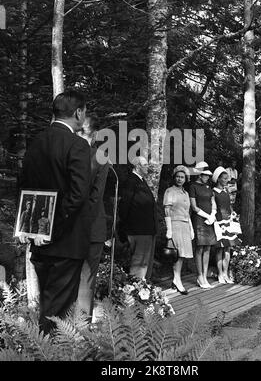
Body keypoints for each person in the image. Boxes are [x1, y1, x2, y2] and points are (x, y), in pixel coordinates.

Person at [19, 90, 91, 334]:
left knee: (49, 305)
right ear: (78, 112)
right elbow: (79, 194)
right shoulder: (78, 145)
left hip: (39, 243)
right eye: (85, 111)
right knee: (58, 313)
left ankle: (44, 348)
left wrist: (30, 227)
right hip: (65, 241)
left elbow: (24, 188)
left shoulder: (36, 142)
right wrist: (52, 227)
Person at [76, 114, 112, 319]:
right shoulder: (100, 157)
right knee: (86, 281)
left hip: (70, 226)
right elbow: (96, 196)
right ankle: (81, 334)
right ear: (97, 134)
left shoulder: (67, 154)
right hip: (91, 227)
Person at [118, 156, 158, 280]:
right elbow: (124, 206)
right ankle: (135, 292)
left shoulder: (141, 181)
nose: (147, 167)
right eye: (145, 165)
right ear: (137, 166)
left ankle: (140, 290)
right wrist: (125, 228)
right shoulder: (131, 181)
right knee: (139, 264)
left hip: (145, 230)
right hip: (138, 230)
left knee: (143, 264)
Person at [163, 165, 194, 295]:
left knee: (183, 255)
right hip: (175, 224)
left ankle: (176, 279)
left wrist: (191, 228)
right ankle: (177, 280)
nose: (180, 179)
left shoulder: (186, 193)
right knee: (177, 254)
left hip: (185, 225)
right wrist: (169, 229)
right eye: (177, 177)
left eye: (182, 177)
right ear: (174, 178)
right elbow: (167, 210)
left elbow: (187, 212)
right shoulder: (170, 191)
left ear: (185, 179)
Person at [212, 166, 242, 284]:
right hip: (219, 222)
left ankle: (225, 273)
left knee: (228, 248)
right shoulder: (214, 192)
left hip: (228, 221)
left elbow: (229, 206)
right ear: (218, 179)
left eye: (227, 179)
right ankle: (220, 274)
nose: (226, 181)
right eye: (224, 179)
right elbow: (213, 207)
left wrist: (232, 214)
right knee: (220, 248)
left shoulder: (226, 192)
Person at [189, 161, 216, 289]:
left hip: (210, 220)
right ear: (200, 174)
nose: (207, 177)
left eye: (208, 175)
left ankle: (205, 276)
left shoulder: (208, 187)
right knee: (199, 248)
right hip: (199, 220)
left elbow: (213, 202)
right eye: (205, 175)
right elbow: (194, 207)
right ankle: (200, 276)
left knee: (208, 248)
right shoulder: (193, 186)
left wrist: (213, 215)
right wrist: (206, 216)